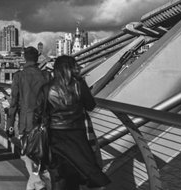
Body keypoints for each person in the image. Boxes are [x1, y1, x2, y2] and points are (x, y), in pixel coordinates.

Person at [39, 55, 111, 190]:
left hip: (54, 136)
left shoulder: (46, 88)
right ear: (72, 68)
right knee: (80, 171)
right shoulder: (79, 85)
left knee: (58, 175)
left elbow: (39, 112)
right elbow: (90, 105)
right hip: (77, 135)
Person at [8, 47, 51, 190]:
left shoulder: (18, 76)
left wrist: (9, 126)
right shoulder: (46, 75)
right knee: (40, 153)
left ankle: (38, 182)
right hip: (44, 122)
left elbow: (13, 103)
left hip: (25, 123)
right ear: (37, 58)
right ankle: (35, 183)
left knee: (28, 154)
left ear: (24, 58)